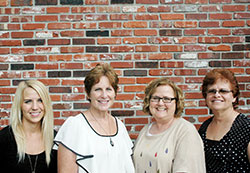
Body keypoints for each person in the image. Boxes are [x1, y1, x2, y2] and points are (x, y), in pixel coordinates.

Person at [54, 63, 134, 173]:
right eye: (98, 89)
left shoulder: (120, 127)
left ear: (115, 93)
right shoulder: (75, 125)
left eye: (108, 89)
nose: (104, 95)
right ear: (88, 93)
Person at [133, 77, 206, 173]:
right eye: (155, 98)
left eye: (167, 99)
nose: (160, 103)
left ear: (177, 102)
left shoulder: (185, 132)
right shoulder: (145, 131)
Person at [198, 69, 250, 172]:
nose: (217, 95)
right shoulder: (204, 127)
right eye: (212, 91)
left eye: (223, 91)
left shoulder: (246, 128)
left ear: (234, 96)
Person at [0, 80, 57, 173]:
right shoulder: (4, 138)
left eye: (40, 100)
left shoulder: (55, 141)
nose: (35, 107)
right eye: (28, 101)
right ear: (20, 105)